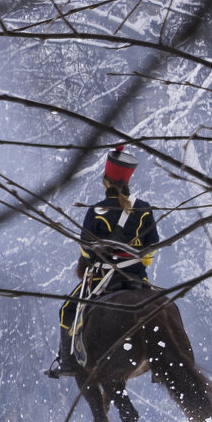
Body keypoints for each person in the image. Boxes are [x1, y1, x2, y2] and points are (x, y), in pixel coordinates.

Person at [49, 145, 160, 376]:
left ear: (105, 180)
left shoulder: (96, 211)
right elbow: (151, 249)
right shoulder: (144, 209)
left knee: (67, 311)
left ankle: (68, 363)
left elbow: (87, 251)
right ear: (127, 181)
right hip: (137, 279)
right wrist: (139, 260)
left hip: (103, 280)